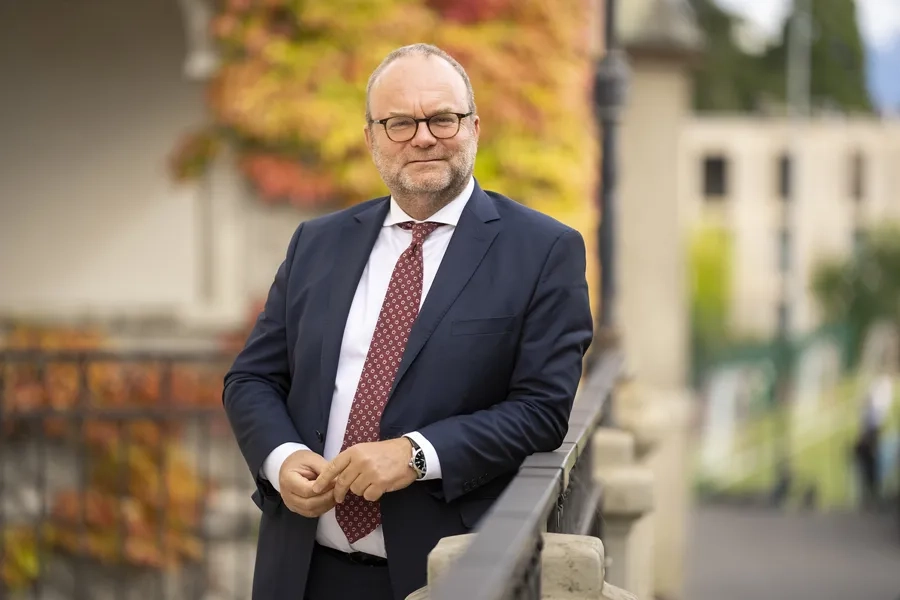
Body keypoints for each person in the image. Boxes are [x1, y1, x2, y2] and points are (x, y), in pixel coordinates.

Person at [223, 43, 593, 600]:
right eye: (399, 122)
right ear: (371, 136)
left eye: (442, 118)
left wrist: (417, 455)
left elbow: (541, 411)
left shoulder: (544, 250)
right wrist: (281, 458)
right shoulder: (316, 243)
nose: (423, 137)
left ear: (474, 126)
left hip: (443, 573)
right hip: (299, 570)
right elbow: (251, 379)